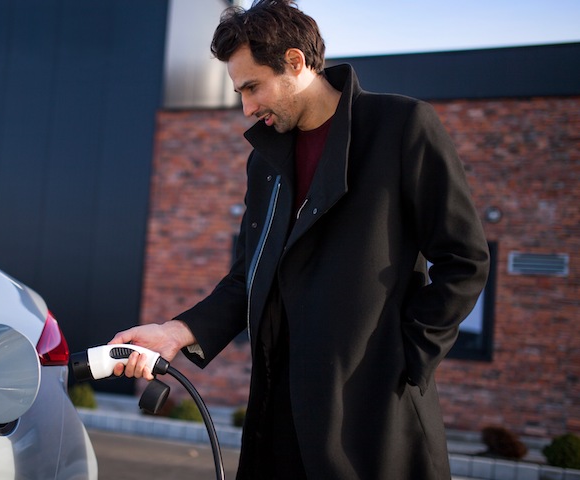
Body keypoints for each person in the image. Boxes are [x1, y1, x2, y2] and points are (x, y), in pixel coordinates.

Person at [109, 1, 490, 478]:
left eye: (252, 87)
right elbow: (248, 278)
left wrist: (408, 357)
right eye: (238, 91)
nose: (246, 108)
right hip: (280, 418)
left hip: (373, 419)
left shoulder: (400, 127)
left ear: (295, 63)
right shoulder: (264, 162)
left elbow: (465, 259)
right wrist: (175, 332)